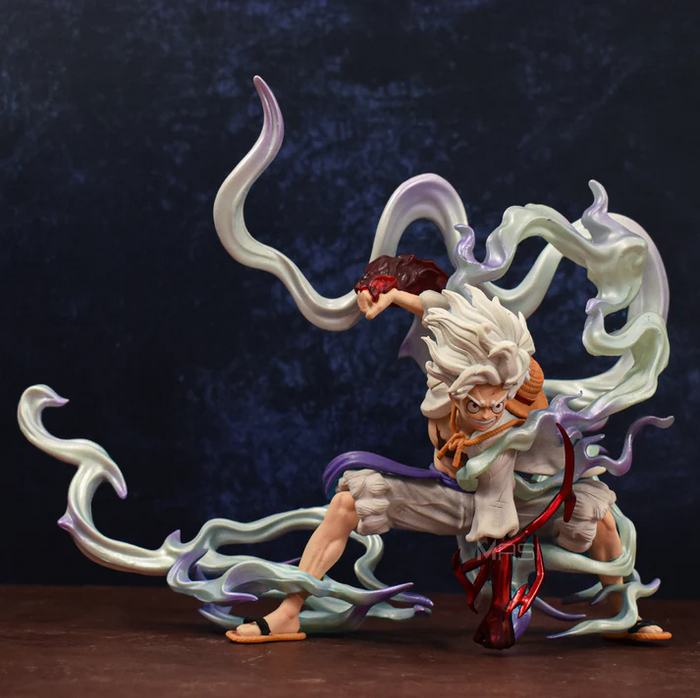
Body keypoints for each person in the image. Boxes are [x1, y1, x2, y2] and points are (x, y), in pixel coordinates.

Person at [228, 278, 671, 643]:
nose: (489, 411)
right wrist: (392, 294)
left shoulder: (525, 394)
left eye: (497, 402)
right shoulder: (443, 397)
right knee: (347, 502)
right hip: (455, 500)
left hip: (519, 503)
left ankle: (623, 614)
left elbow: (552, 445)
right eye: (476, 404)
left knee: (600, 513)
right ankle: (288, 613)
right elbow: (439, 307)